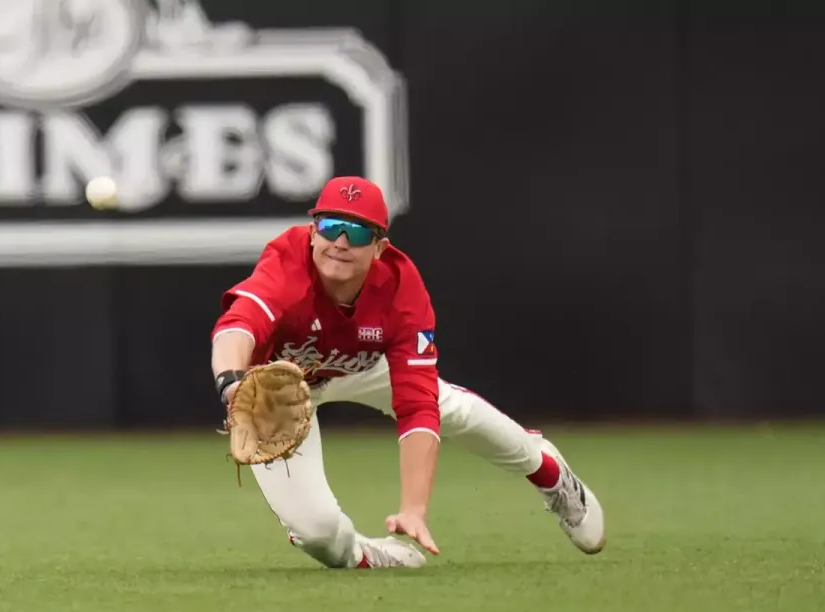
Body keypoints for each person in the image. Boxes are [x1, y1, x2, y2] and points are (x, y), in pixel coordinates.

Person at [209, 176, 605, 568]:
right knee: (319, 534)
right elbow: (238, 325)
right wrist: (231, 382)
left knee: (448, 409)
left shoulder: (401, 288)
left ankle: (547, 470)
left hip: (363, 365)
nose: (341, 242)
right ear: (313, 233)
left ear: (380, 247)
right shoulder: (287, 264)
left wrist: (413, 509)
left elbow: (416, 407)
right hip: (278, 389)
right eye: (331, 227)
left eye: (358, 233)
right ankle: (365, 555)